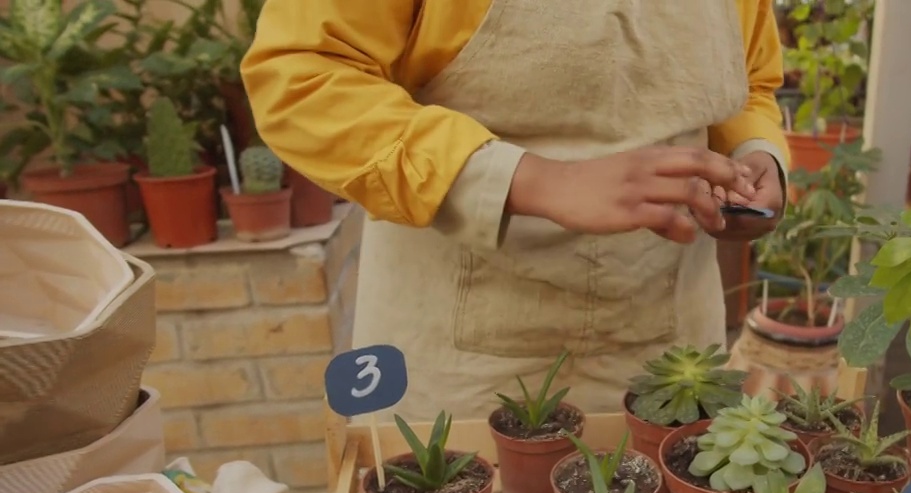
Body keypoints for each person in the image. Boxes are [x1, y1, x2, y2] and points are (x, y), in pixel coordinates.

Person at [241, 0, 790, 420]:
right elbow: (302, 77)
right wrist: (534, 180)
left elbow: (751, 79)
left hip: (668, 337)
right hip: (462, 356)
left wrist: (753, 152)